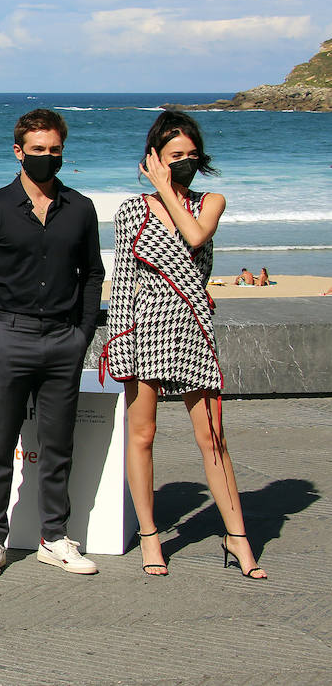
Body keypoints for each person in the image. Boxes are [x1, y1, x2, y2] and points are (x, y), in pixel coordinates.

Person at [101, 110, 267, 579]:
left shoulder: (211, 201)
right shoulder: (131, 210)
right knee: (143, 434)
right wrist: (119, 341)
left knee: (212, 437)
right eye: (176, 156)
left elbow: (195, 237)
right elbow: (125, 282)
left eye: (192, 155)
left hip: (192, 325)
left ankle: (237, 537)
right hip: (144, 326)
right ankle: (151, 535)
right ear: (154, 157)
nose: (186, 162)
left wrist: (171, 193)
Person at [0, 109, 106, 579]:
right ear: (19, 151)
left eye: (54, 150)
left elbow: (93, 275)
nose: (47, 158)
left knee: (59, 446)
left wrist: (82, 335)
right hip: (10, 337)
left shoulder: (80, 208)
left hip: (64, 340)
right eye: (37, 150)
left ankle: (54, 538)